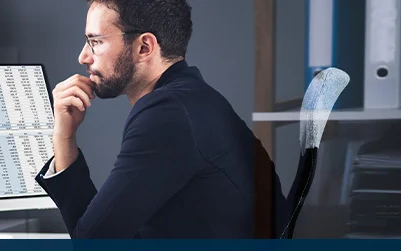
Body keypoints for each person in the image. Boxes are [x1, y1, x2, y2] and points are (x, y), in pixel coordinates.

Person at [35, 0, 284, 238]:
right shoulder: (189, 98)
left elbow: (95, 247)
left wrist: (64, 137)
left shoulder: (167, 114)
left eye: (95, 42)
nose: (83, 57)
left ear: (144, 47)